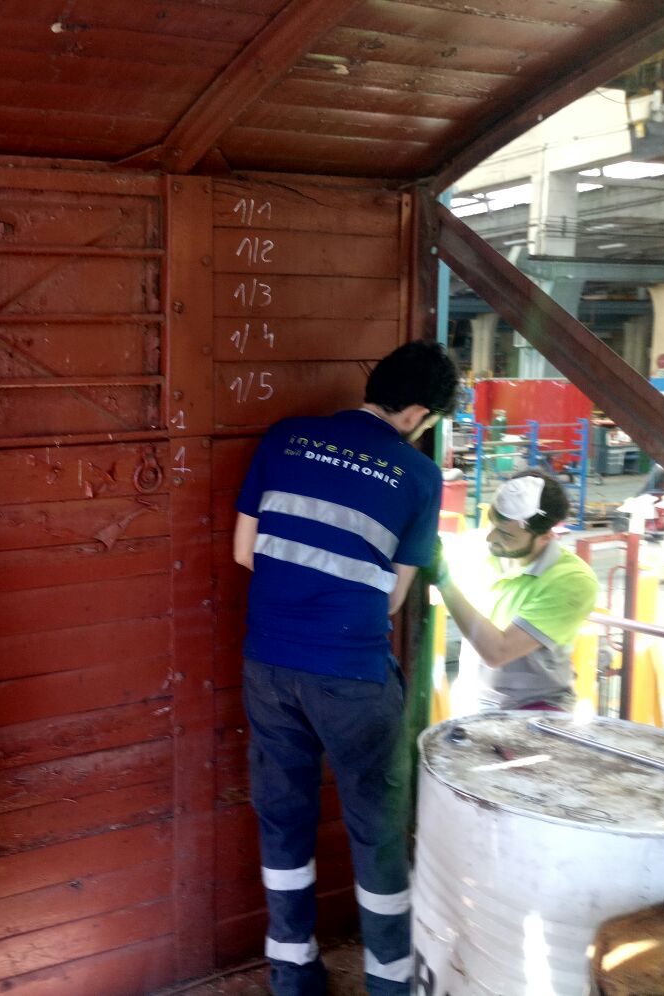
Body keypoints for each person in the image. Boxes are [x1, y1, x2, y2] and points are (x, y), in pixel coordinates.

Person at [232, 340, 458, 996]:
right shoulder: (418, 476)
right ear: (417, 413)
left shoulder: (286, 437)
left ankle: (292, 973)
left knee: (283, 821)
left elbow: (245, 552)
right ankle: (389, 982)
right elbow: (391, 598)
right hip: (353, 676)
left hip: (268, 664)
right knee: (379, 835)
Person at [432, 470, 598, 713]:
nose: (490, 537)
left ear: (546, 537)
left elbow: (498, 652)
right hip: (473, 702)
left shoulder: (572, 581)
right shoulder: (475, 548)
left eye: (506, 534)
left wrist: (444, 581)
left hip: (535, 711)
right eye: (493, 525)